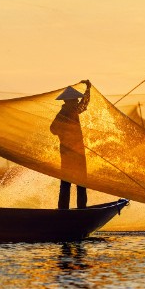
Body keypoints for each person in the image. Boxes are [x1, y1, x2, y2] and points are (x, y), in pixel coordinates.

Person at [49, 79, 91, 209]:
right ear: (69, 101)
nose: (78, 101)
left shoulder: (73, 111)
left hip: (77, 153)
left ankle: (81, 210)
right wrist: (65, 128)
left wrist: (88, 89)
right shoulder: (63, 113)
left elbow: (84, 104)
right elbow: (53, 129)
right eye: (75, 100)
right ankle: (63, 211)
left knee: (81, 184)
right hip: (68, 153)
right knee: (67, 184)